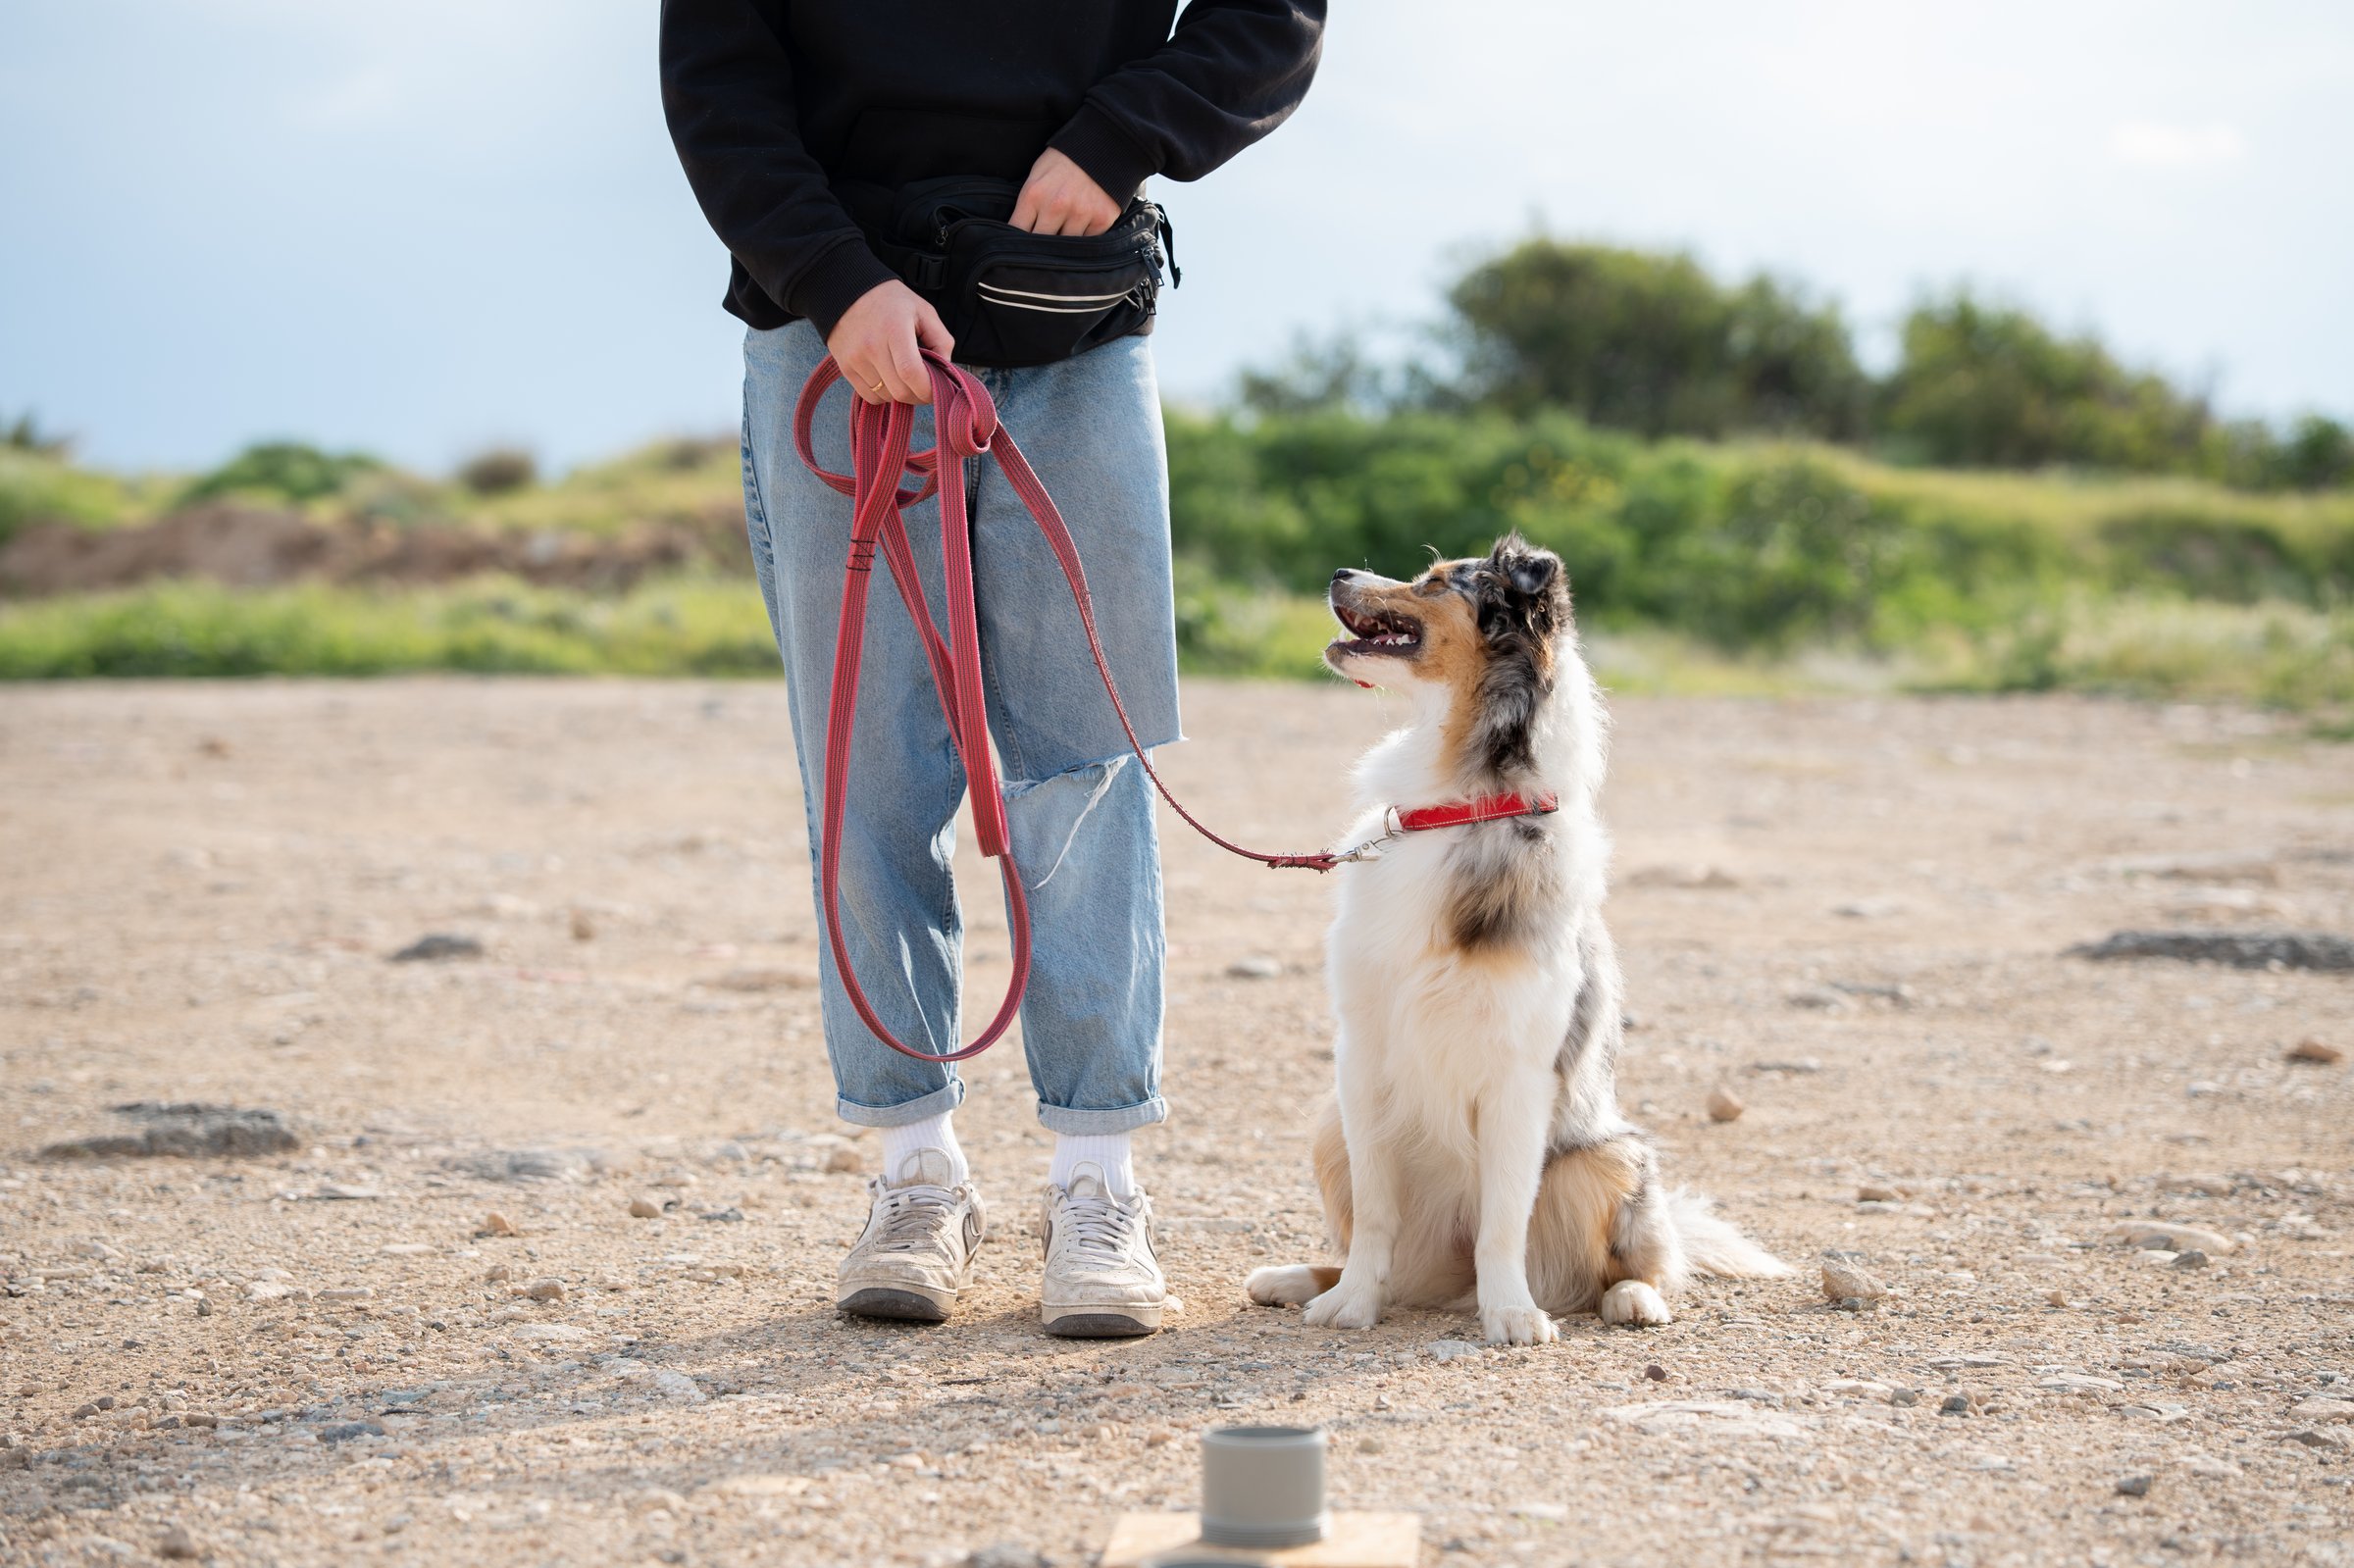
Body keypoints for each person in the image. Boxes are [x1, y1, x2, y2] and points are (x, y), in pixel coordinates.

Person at [659, 1, 1324, 1336]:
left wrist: (1120, 137)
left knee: (1085, 763)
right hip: (833, 327)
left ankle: (1098, 1187)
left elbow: (1276, 16)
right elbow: (717, 78)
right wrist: (835, 283)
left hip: (1070, 324)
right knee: (868, 777)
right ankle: (915, 1176)